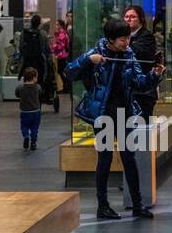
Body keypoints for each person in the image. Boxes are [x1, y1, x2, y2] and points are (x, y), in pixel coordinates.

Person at [65, 18, 164, 221]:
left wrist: (155, 75)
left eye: (127, 37)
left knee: (129, 157)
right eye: (122, 39)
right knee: (105, 158)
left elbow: (140, 83)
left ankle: (137, 205)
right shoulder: (96, 53)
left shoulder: (129, 55)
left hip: (124, 113)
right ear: (110, 39)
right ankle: (103, 206)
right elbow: (69, 72)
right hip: (103, 114)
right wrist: (88, 61)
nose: (126, 42)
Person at [20, 13, 56, 111]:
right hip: (40, 62)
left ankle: (27, 105)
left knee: (27, 82)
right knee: (39, 83)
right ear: (40, 23)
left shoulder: (24, 33)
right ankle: (37, 105)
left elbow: (21, 48)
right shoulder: (43, 34)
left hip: (27, 62)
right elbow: (47, 49)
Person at [18, 65, 42, 151]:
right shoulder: (37, 87)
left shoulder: (20, 87)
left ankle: (26, 136)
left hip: (24, 112)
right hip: (35, 111)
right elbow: (40, 94)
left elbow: (17, 94)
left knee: (24, 126)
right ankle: (33, 142)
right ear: (34, 78)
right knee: (35, 127)